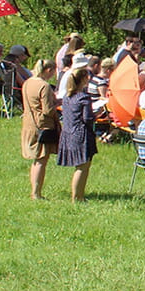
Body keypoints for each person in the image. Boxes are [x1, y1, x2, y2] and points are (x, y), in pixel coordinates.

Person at [20, 59, 60, 199]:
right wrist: (58, 104)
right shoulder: (44, 86)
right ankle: (36, 193)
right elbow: (48, 110)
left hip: (29, 123)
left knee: (36, 159)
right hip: (42, 125)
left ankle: (35, 191)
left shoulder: (28, 82)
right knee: (41, 160)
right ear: (48, 70)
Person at [57, 66, 97, 201]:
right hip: (81, 134)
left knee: (80, 166)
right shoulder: (84, 97)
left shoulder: (67, 96)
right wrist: (96, 113)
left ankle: (78, 195)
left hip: (68, 133)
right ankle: (77, 197)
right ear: (84, 79)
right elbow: (87, 119)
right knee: (83, 167)